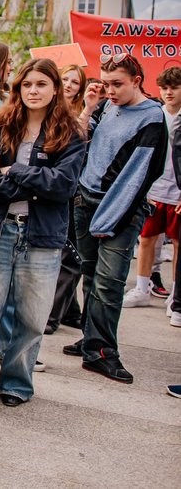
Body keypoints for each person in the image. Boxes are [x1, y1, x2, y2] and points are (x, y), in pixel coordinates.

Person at [0, 59, 85, 406]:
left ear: (55, 90)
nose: (33, 91)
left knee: (33, 317)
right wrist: (32, 182)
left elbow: (63, 185)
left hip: (43, 237)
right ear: (18, 88)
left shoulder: (71, 134)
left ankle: (16, 382)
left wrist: (15, 171)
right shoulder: (0, 127)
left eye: (41, 85)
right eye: (27, 84)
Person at [63, 53, 167, 384]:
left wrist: (110, 219)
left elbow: (140, 175)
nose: (110, 90)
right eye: (106, 83)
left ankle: (103, 352)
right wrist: (90, 107)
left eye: (117, 84)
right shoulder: (107, 105)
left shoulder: (152, 117)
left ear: (137, 80)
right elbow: (79, 142)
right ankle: (92, 342)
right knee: (91, 277)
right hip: (86, 201)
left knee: (109, 284)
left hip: (120, 210)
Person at [123, 67, 181, 309]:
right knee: (146, 239)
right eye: (164, 88)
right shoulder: (155, 114)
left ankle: (176, 295)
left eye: (174, 88)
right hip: (153, 188)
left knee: (178, 242)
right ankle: (142, 287)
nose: (168, 92)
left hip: (177, 191)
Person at [45, 63, 88, 334]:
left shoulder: (83, 116)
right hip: (50, 192)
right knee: (65, 253)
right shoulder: (49, 114)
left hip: (74, 191)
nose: (70, 84)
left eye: (76, 81)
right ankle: (66, 311)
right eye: (66, 79)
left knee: (70, 255)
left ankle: (57, 313)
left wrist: (89, 110)